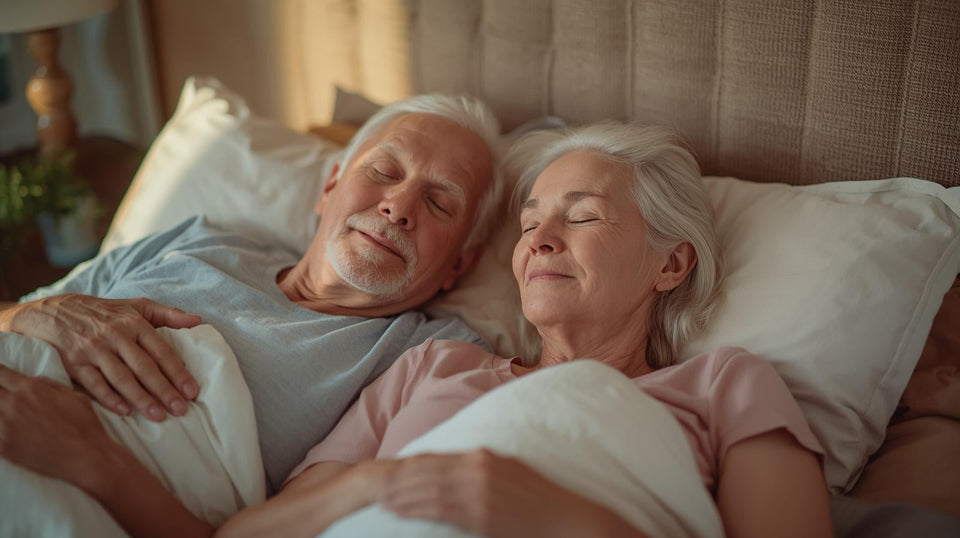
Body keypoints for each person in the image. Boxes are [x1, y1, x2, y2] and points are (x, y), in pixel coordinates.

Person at [1, 122, 834, 537]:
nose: (539, 239)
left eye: (581, 219)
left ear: (671, 265)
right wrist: (374, 487)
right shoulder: (437, 366)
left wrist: (540, 510)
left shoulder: (727, 386)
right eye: (532, 221)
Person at [0, 94, 504, 498]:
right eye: (384, 172)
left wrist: (89, 459)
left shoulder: (423, 360)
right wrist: (38, 313)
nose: (398, 206)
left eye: (439, 203)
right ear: (329, 187)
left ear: (459, 264)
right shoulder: (195, 240)